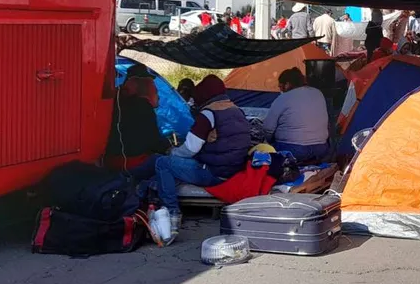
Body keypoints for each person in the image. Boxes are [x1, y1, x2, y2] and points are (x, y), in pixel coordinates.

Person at [152, 76, 253, 240]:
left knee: (163, 163)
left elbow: (191, 148)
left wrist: (172, 152)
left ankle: (171, 214)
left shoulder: (208, 114)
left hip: (214, 173)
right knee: (175, 168)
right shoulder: (236, 110)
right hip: (233, 170)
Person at [105, 65, 171, 174]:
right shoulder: (143, 106)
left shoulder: (117, 99)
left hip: (110, 159)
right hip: (131, 162)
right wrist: (168, 148)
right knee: (168, 164)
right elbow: (153, 140)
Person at [263, 68, 330, 164]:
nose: (280, 90)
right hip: (321, 148)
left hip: (294, 150)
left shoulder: (283, 98)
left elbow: (268, 129)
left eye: (280, 87)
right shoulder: (318, 93)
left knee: (264, 149)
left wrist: (268, 141)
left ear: (287, 84)